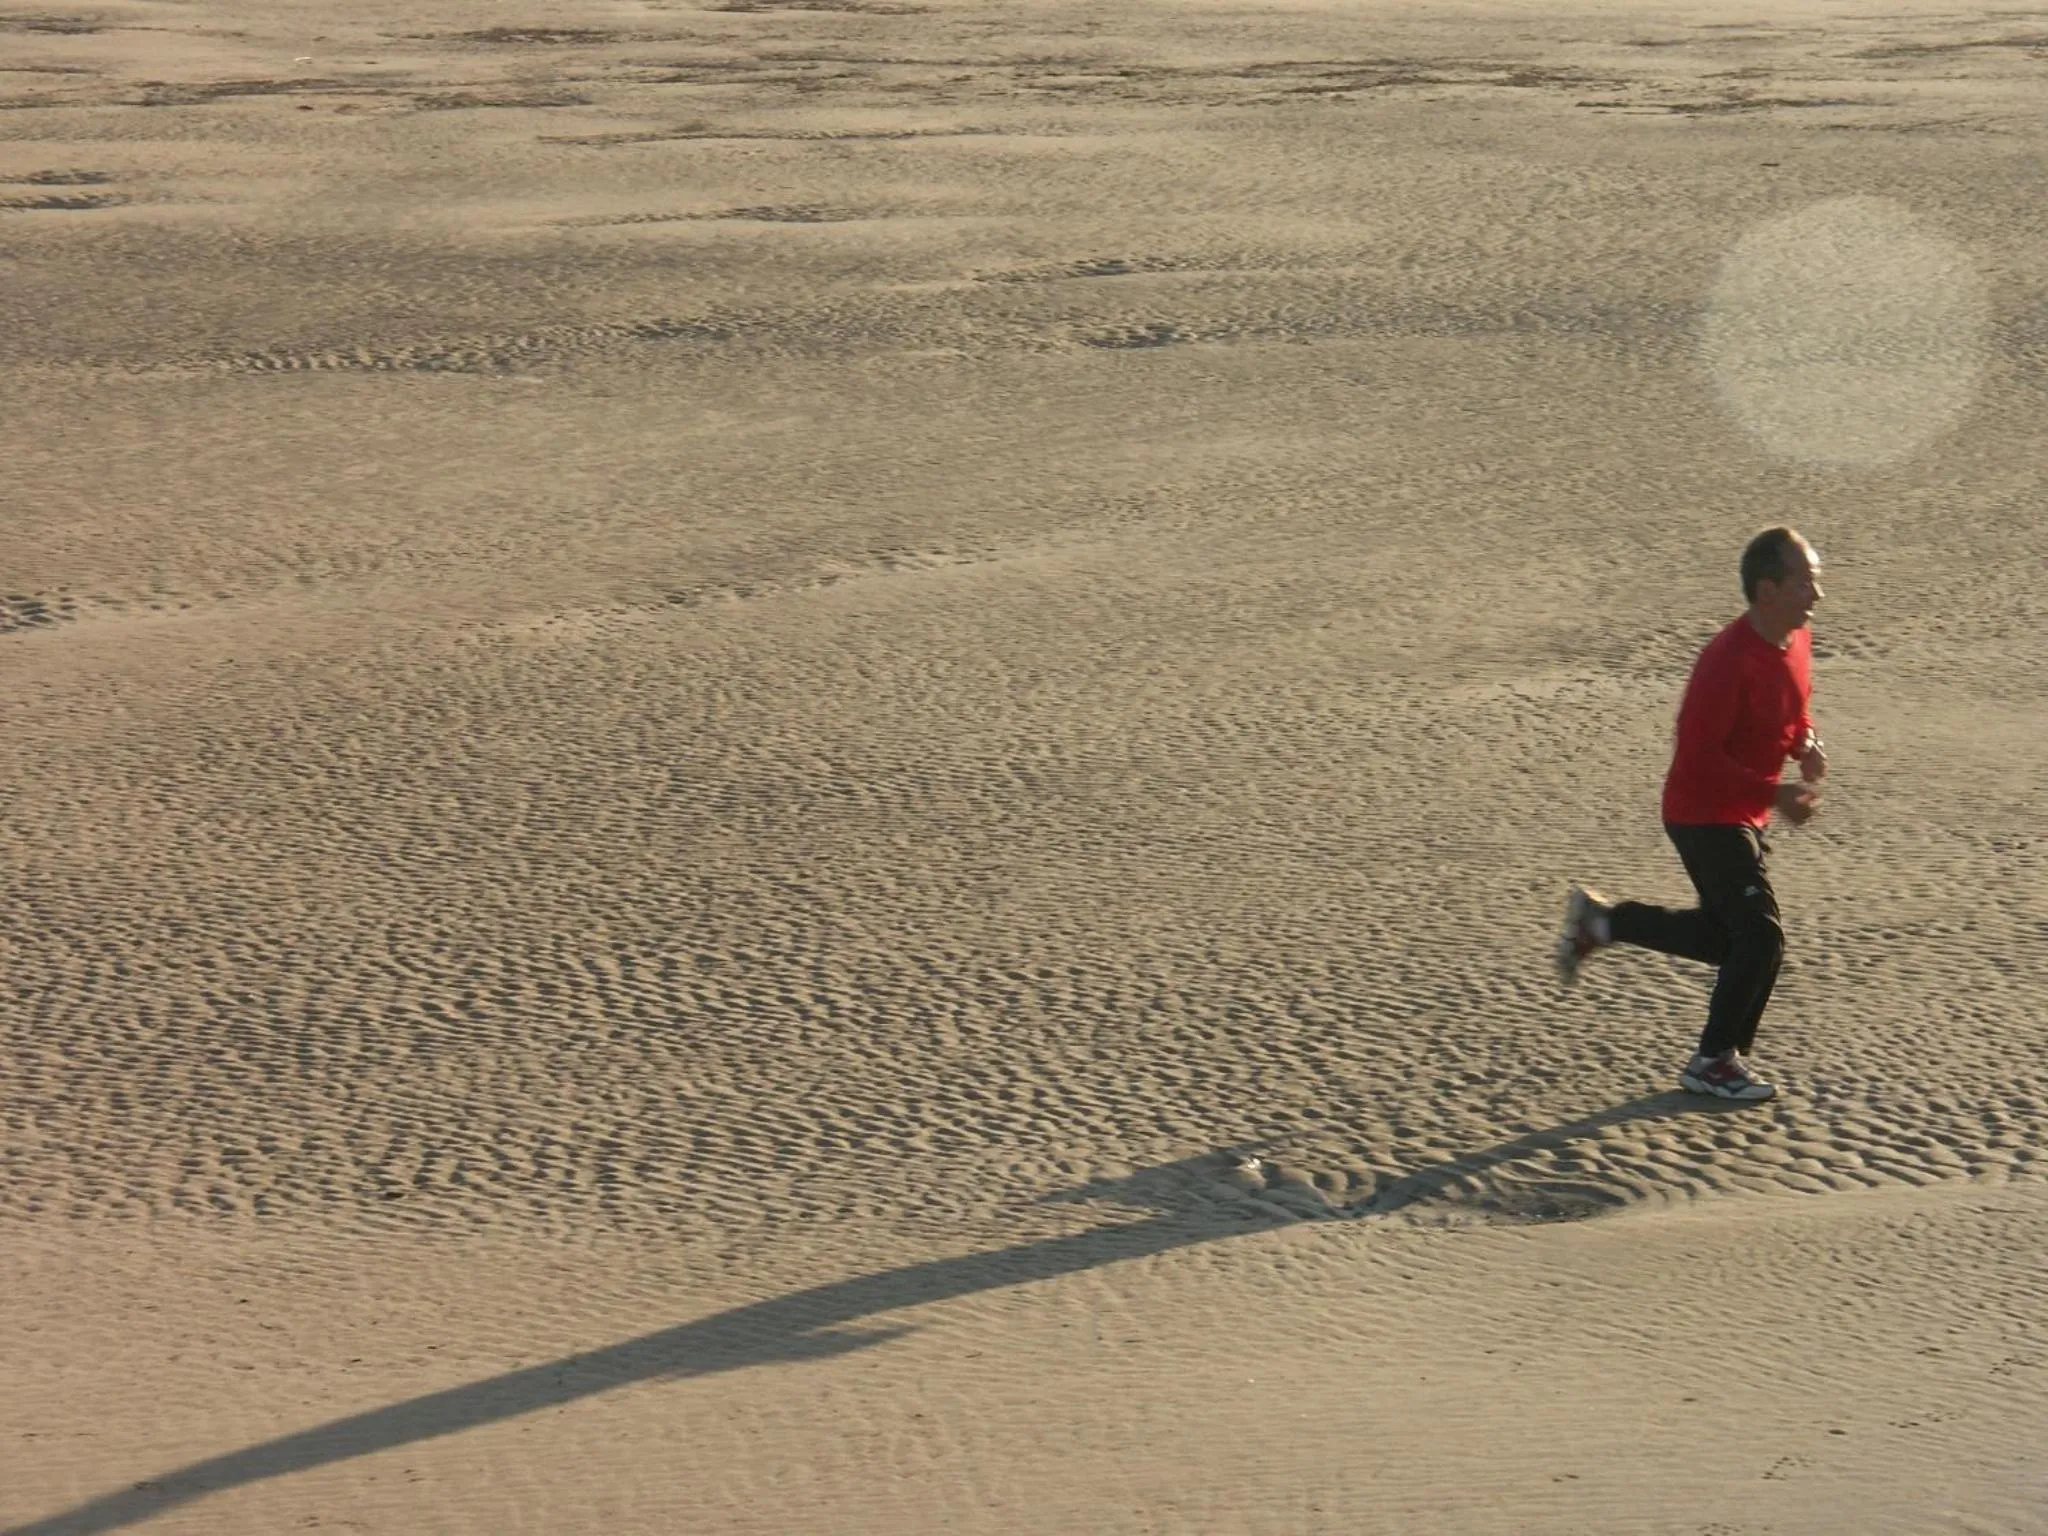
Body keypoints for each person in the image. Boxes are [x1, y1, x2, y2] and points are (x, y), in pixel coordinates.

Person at [1555, 527, 1828, 1102]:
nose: (1816, 595)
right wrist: (1775, 793)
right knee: (1759, 939)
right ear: (1766, 589)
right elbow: (1699, 759)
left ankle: (1604, 923)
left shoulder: (1795, 641)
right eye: (1804, 582)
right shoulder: (1725, 660)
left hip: (1743, 815)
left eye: (1816, 580)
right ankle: (1712, 1062)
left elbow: (1794, 712)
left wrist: (1805, 744)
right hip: (1702, 814)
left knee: (1730, 941)